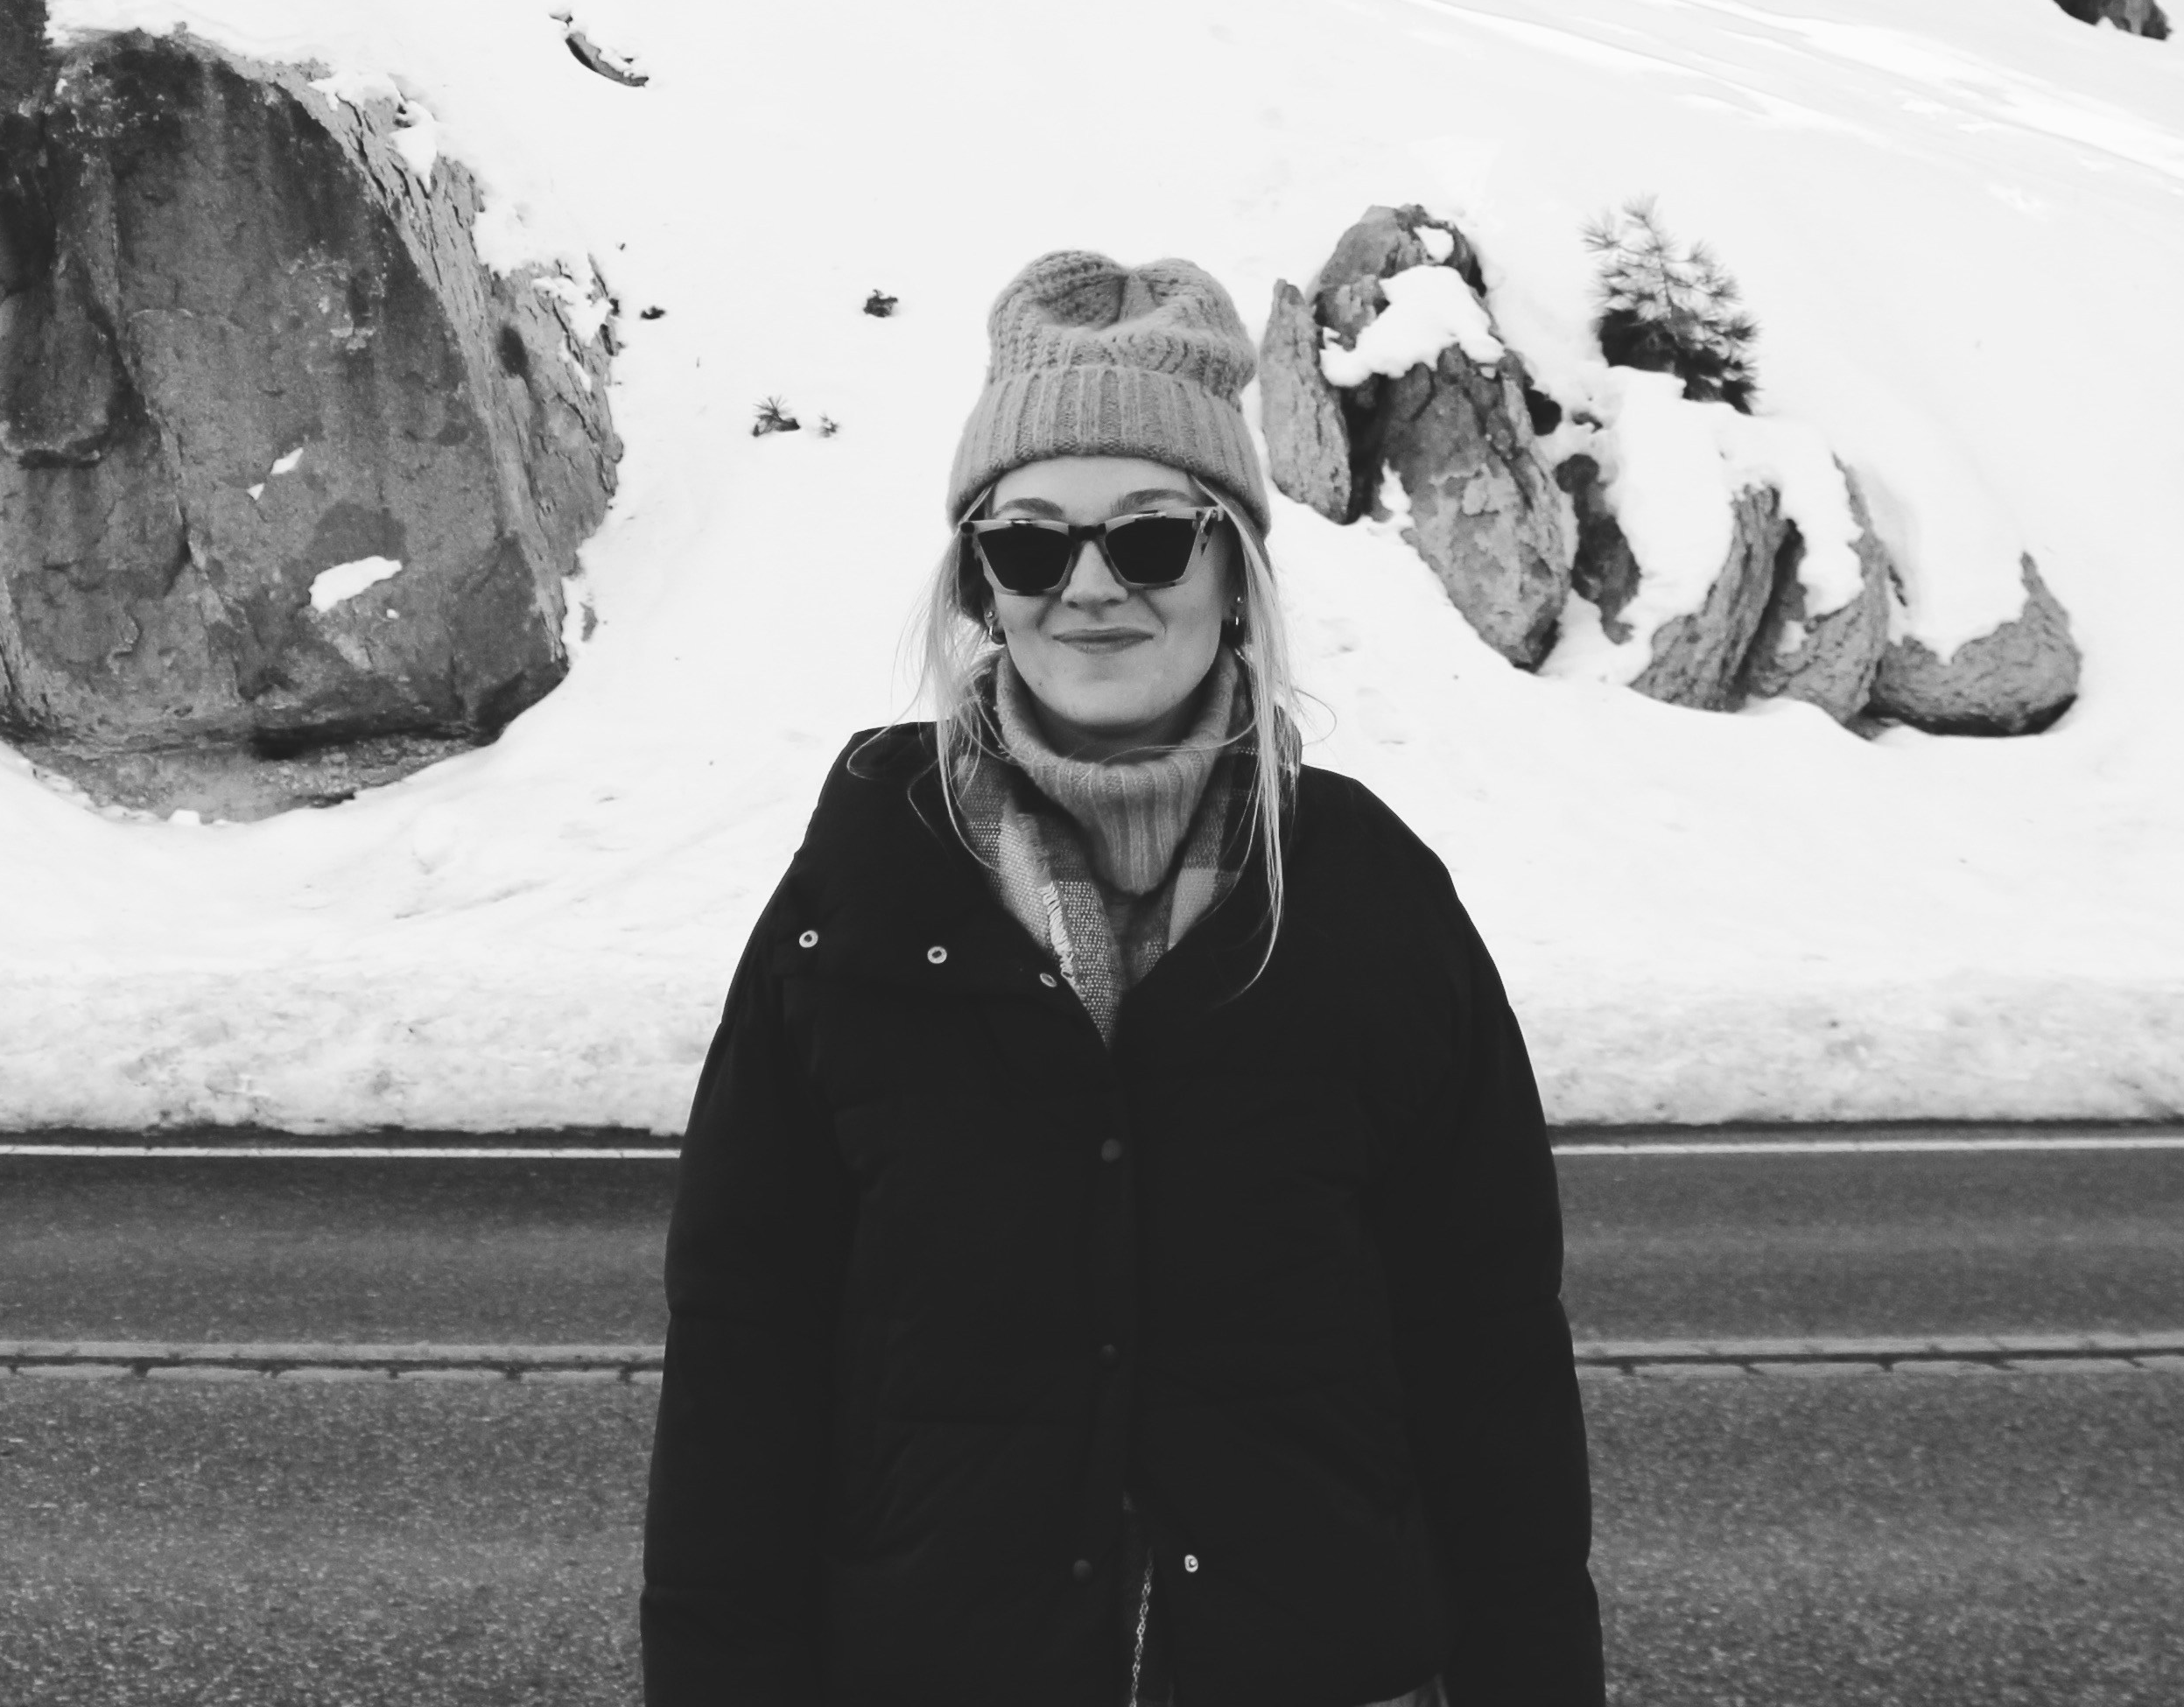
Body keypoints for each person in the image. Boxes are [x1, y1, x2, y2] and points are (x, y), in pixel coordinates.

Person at [640, 250, 1603, 1707]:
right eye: (1028, 546)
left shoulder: (1368, 904)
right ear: (981, 586)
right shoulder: (860, 904)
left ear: (1233, 572)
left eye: (1150, 538)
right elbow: (743, 1367)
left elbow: (1492, 1376)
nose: (1087, 588)